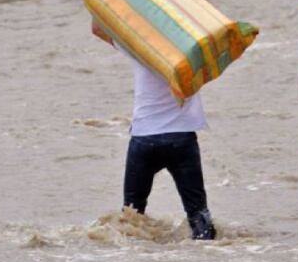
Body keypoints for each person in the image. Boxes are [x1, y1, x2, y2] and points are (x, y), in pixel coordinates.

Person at [92, 22, 216, 240]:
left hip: (144, 139)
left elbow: (98, 28)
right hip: (181, 139)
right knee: (198, 214)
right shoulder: (192, 54)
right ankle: (208, 252)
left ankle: (133, 258)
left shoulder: (139, 50)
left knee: (132, 214)